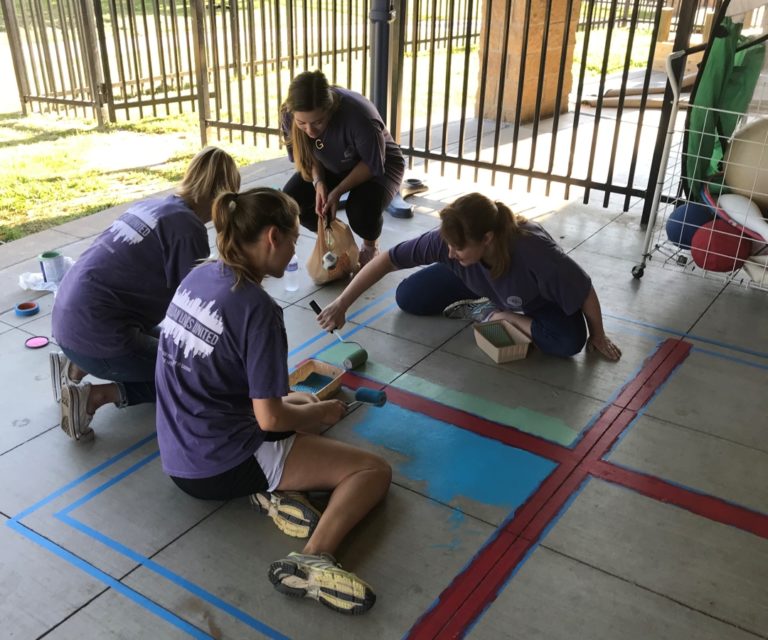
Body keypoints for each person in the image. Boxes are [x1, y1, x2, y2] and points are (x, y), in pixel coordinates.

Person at [154, 187, 391, 615]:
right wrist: (321, 413)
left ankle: (272, 487)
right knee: (371, 470)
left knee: (298, 397)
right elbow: (269, 420)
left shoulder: (199, 276)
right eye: (294, 238)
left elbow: (251, 390)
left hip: (178, 451)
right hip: (217, 462)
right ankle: (313, 558)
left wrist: (305, 407)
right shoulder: (257, 309)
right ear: (272, 237)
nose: (296, 249)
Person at [50, 147, 241, 441]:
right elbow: (196, 313)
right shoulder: (187, 229)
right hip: (98, 335)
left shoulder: (151, 207)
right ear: (222, 196)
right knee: (195, 373)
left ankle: (75, 365)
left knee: (168, 345)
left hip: (69, 324)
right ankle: (96, 396)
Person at [317, 192, 622, 361]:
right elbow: (387, 260)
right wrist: (342, 304)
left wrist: (598, 335)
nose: (449, 252)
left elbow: (583, 289)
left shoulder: (534, 251)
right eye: (448, 245)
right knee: (408, 297)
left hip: (537, 301)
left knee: (569, 342)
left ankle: (500, 313)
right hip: (477, 276)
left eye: (458, 247)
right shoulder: (450, 245)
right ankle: (487, 301)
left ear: (487, 238)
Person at [280, 69, 405, 267]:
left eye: (318, 122)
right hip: (331, 162)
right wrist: (319, 182)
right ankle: (335, 240)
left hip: (378, 164)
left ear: (329, 109)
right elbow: (308, 155)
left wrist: (337, 192)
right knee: (292, 202)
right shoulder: (287, 114)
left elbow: (371, 165)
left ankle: (370, 246)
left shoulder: (359, 116)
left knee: (361, 212)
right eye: (301, 123)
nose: (310, 131)